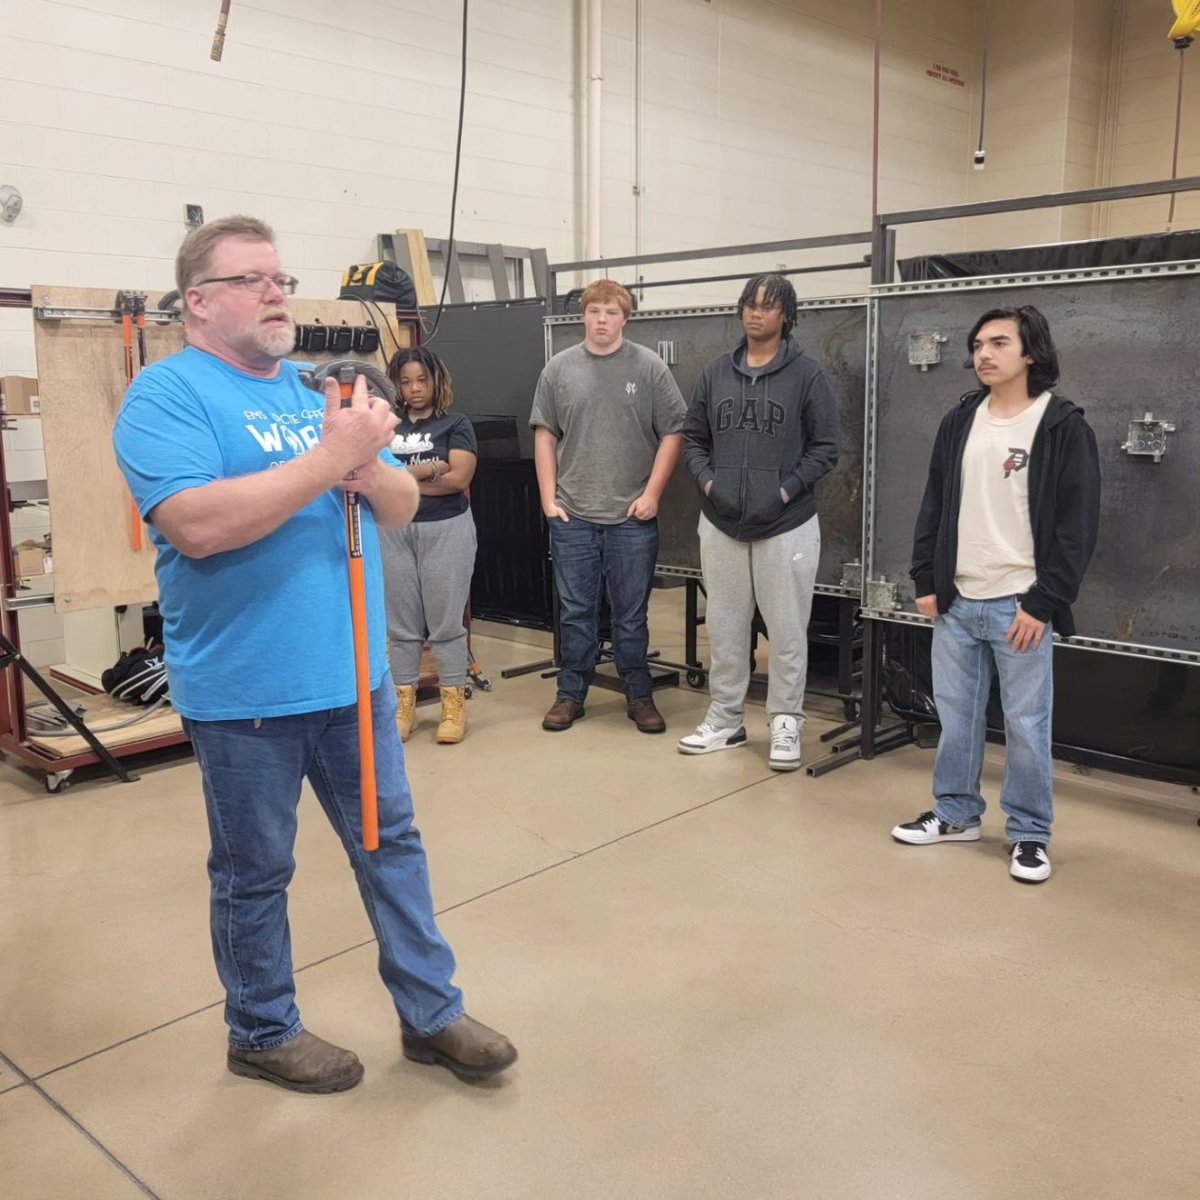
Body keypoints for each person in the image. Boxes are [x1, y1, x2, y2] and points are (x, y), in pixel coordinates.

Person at [113, 215, 516, 1093]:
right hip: (247, 692)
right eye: (252, 279)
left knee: (392, 845)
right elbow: (198, 524)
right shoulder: (167, 397)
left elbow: (404, 507)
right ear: (199, 300)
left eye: (280, 278)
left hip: (356, 680)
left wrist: (368, 467)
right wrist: (331, 457)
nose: (275, 294)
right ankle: (260, 1030)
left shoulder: (313, 393)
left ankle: (431, 1014)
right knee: (256, 871)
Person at [891, 304, 1100, 883]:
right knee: (956, 719)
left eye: (998, 343)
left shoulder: (1061, 426)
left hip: (1021, 605)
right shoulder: (961, 419)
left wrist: (1044, 602)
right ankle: (957, 815)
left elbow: (1077, 528)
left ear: (1030, 353)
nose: (983, 353)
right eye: (978, 344)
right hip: (957, 600)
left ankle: (1030, 834)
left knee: (1028, 726)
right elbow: (934, 501)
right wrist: (925, 580)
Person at [678, 275, 841, 770]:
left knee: (788, 629)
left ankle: (786, 721)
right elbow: (693, 439)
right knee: (726, 627)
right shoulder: (714, 374)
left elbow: (826, 448)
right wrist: (709, 485)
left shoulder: (807, 376)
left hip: (786, 524)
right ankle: (725, 719)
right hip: (722, 522)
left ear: (786, 316)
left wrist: (785, 490)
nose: (756, 313)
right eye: (750, 304)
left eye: (768, 306)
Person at [530, 279, 686, 734]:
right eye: (594, 311)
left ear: (626, 318)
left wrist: (652, 494)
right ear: (583, 315)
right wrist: (547, 498)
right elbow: (545, 434)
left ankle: (639, 696)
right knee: (575, 612)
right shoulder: (558, 370)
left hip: (631, 518)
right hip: (573, 514)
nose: (602, 320)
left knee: (631, 615)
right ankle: (569, 695)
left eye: (611, 312)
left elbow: (674, 432)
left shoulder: (650, 367)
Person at [380, 346, 478, 745]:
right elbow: (373, 476)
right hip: (393, 529)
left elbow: (459, 480)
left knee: (445, 625)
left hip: (446, 529)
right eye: (406, 381)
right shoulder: (385, 425)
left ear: (436, 381)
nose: (415, 388)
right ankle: (403, 706)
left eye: (422, 380)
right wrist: (432, 468)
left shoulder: (456, 424)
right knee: (401, 627)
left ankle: (453, 706)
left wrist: (400, 476)